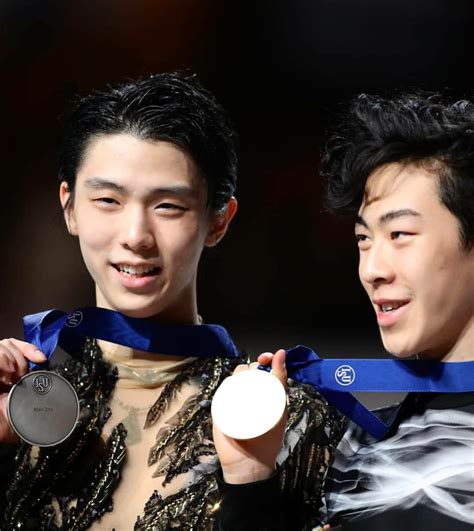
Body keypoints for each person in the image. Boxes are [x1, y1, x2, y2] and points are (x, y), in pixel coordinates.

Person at [0, 72, 343, 530]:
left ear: (219, 220)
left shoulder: (291, 417)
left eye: (168, 206)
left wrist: (249, 480)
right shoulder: (21, 408)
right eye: (107, 200)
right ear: (69, 207)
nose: (136, 236)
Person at [215, 92, 473, 530]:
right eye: (363, 239)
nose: (372, 269)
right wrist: (249, 479)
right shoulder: (356, 453)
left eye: (400, 234)